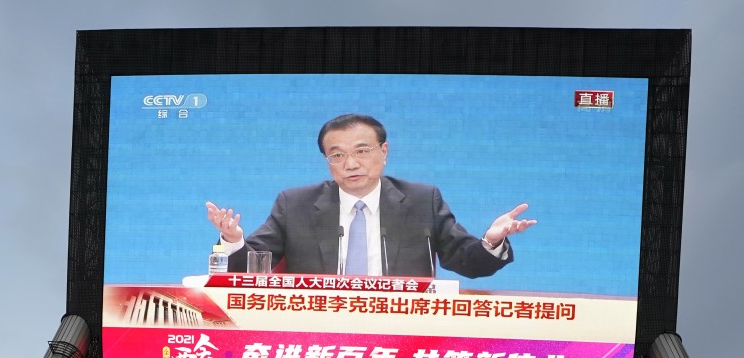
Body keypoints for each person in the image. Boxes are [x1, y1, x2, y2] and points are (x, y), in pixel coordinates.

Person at [206, 113, 536, 277]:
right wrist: (233, 239)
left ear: (384, 151)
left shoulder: (423, 200)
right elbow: (250, 268)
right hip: (316, 328)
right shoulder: (295, 204)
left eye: (362, 151)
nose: (350, 164)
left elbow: (463, 260)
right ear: (327, 161)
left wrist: (491, 240)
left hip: (404, 330)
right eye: (336, 155)